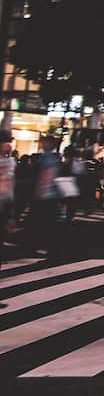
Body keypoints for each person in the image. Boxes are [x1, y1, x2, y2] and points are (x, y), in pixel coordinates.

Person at [0, 130, 14, 304]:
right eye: (6, 141)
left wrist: (11, 214)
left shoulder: (10, 161)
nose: (9, 144)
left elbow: (9, 188)